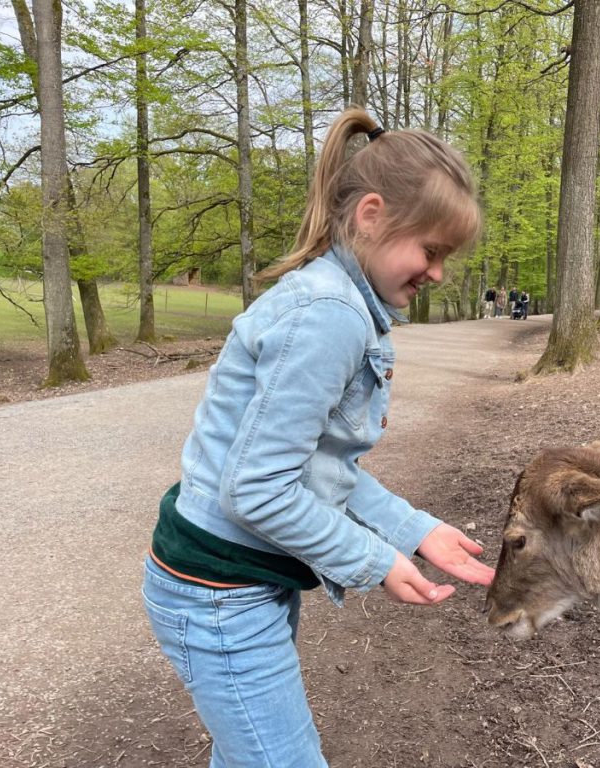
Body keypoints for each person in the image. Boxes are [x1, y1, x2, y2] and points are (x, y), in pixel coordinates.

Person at [141, 107, 494, 768]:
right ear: (371, 214)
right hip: (218, 593)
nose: (439, 272)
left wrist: (412, 529)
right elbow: (258, 490)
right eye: (433, 250)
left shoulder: (340, 303)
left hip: (238, 581)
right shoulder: (330, 315)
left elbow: (318, 467)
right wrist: (377, 559)